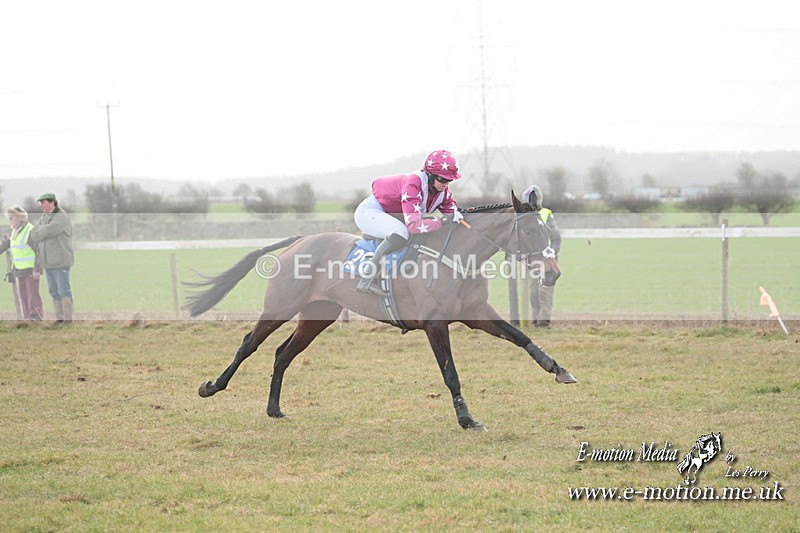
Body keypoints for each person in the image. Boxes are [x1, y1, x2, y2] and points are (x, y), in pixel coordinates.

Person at [353, 149, 464, 295]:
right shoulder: (413, 183)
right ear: (429, 175)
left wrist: (463, 216)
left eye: (449, 180)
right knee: (402, 232)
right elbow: (414, 226)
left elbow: (453, 214)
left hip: (392, 215)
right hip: (371, 212)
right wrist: (443, 221)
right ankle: (366, 278)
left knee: (424, 224)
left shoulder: (443, 192)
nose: (445, 183)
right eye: (442, 179)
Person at [30, 193, 75, 323]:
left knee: (63, 290)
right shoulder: (44, 217)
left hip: (61, 260)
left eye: (43, 202)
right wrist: (41, 232)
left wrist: (41, 232)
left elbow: (48, 231)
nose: (41, 205)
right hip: (48, 261)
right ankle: (59, 318)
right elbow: (34, 233)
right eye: (40, 203)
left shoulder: (61, 216)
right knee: (53, 291)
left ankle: (68, 319)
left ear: (52, 202)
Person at [522, 185, 561, 327]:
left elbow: (556, 238)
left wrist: (551, 255)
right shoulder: (525, 217)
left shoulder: (545, 214)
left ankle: (543, 322)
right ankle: (536, 320)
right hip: (533, 261)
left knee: (545, 291)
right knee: (534, 292)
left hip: (548, 261)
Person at [0, 206, 45, 320]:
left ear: (20, 219)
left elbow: (40, 250)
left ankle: (36, 318)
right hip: (19, 270)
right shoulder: (16, 231)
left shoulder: (30, 231)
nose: (10, 221)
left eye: (12, 219)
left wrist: (37, 269)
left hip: (31, 270)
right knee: (23, 296)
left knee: (32, 295)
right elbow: (8, 244)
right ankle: (27, 320)